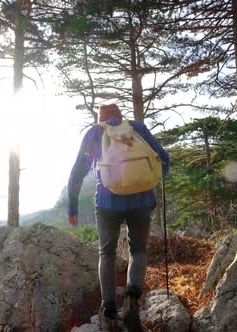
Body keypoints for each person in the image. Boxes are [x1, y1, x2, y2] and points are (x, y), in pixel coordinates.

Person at [67, 104, 169, 331]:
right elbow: (163, 158)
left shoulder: (95, 133)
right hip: (141, 201)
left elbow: (77, 172)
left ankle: (110, 313)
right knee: (138, 251)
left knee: (107, 252)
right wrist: (151, 178)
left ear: (101, 119)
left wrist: (72, 208)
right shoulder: (137, 128)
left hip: (107, 202)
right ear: (120, 117)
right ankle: (132, 303)